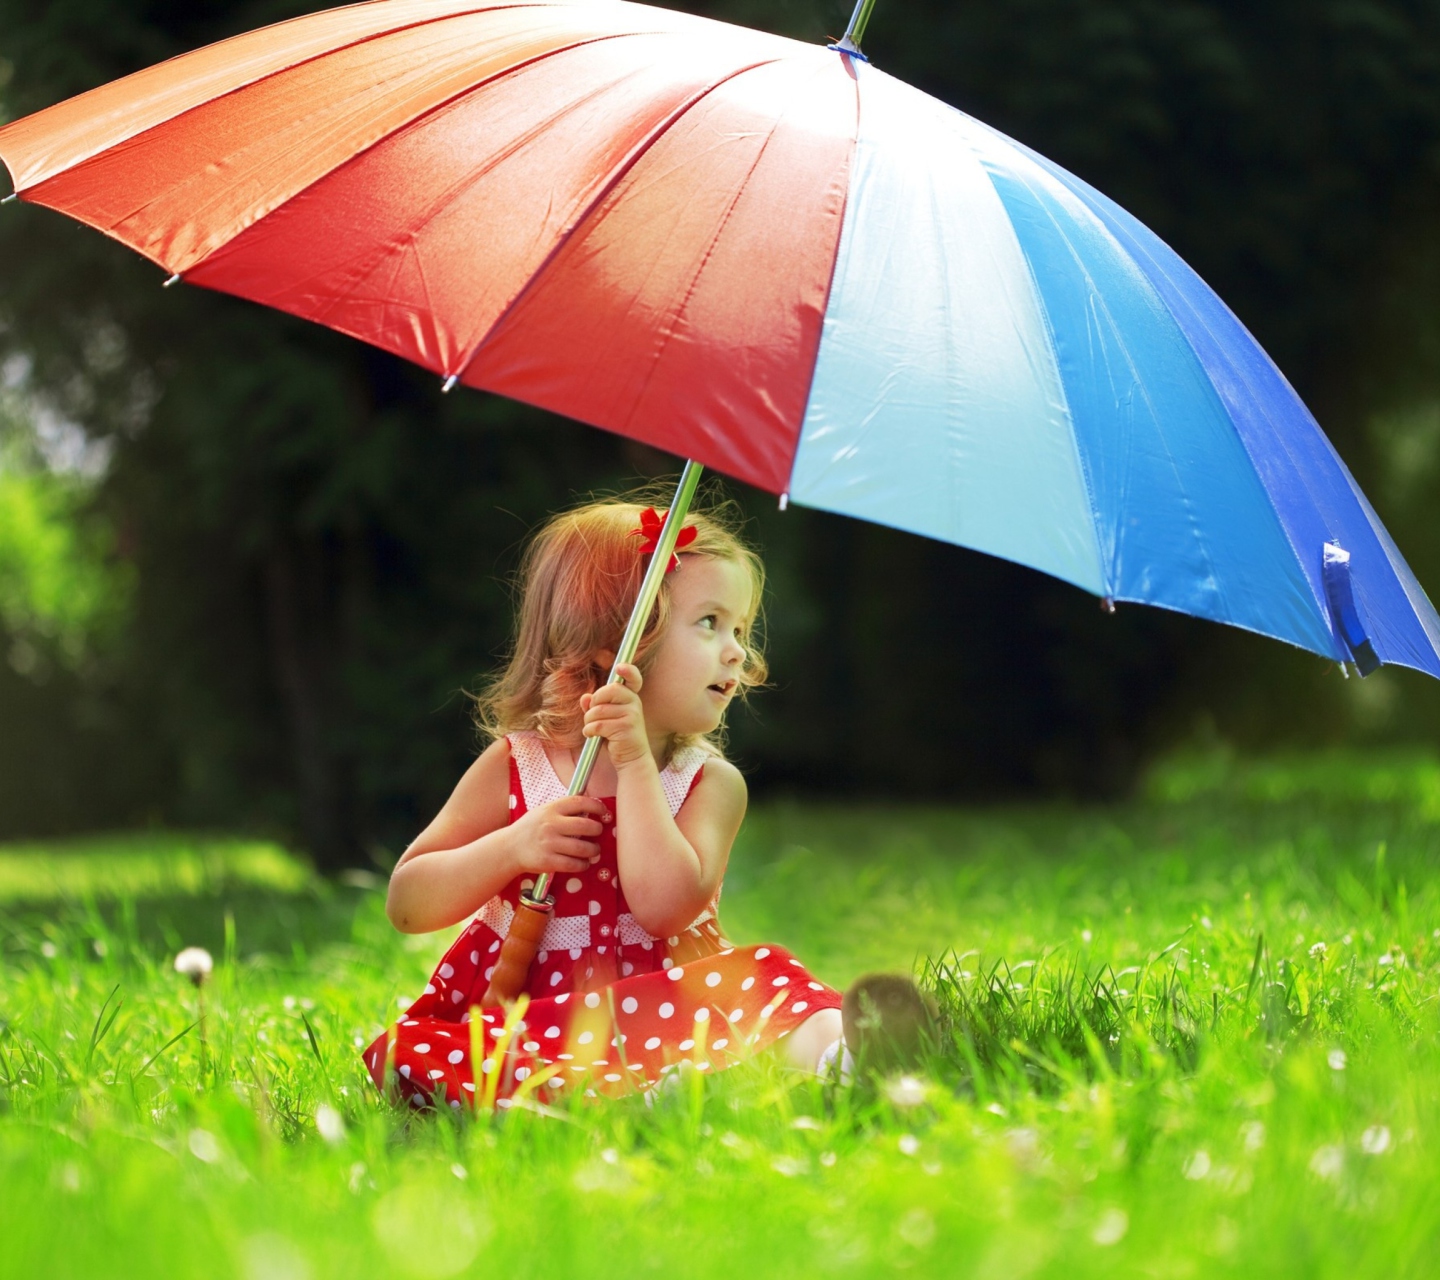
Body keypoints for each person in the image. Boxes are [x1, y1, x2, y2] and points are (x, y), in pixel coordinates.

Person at [362, 491, 927, 1110]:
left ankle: (843, 1059)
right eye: (710, 623)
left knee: (766, 979)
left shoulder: (707, 782)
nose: (737, 649)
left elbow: (663, 909)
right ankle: (611, 1101)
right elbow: (408, 903)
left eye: (739, 628)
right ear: (615, 645)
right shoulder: (517, 766)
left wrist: (634, 765)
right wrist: (512, 846)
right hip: (536, 1023)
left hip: (673, 1009)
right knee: (424, 1050)